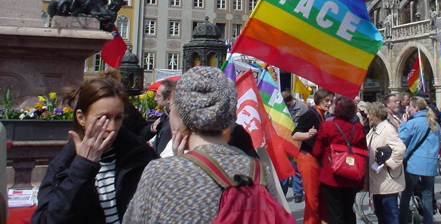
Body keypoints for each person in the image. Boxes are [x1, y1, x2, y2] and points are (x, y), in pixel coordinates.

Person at [123, 67, 278, 223]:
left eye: (172, 109)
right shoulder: (259, 170)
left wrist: (178, 163)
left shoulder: (161, 172)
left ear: (182, 117)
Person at [32, 78, 157, 224]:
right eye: (103, 118)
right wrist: (84, 166)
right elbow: (49, 220)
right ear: (81, 118)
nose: (111, 127)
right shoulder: (64, 164)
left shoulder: (139, 153)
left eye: (118, 118)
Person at [312, 96, 367, 224]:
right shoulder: (358, 127)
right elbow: (364, 150)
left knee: (335, 212)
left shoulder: (327, 126)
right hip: (352, 173)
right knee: (349, 210)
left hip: (331, 175)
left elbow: (317, 151)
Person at [293, 89, 334, 224]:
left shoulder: (321, 115)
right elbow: (295, 134)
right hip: (308, 159)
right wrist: (308, 135)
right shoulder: (310, 114)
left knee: (320, 197)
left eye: (331, 101)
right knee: (312, 199)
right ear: (319, 99)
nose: (329, 104)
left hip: (317, 160)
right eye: (327, 100)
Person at [398, 96, 441, 224]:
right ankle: (428, 221)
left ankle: (403, 220)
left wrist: (403, 124)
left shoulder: (412, 123)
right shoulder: (435, 123)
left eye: (410, 107)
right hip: (430, 162)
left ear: (416, 108)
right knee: (427, 195)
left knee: (406, 195)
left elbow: (401, 140)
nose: (408, 109)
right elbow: (438, 143)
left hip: (414, 163)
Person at [366, 102, 406, 224]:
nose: (368, 117)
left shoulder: (388, 130)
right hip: (378, 180)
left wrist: (388, 162)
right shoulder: (374, 129)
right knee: (380, 213)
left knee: (390, 214)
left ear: (377, 115)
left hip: (387, 180)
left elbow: (400, 149)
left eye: (370, 114)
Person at [281, 90, 308, 202]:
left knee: (296, 169)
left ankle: (298, 193)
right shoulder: (281, 107)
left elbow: (305, 126)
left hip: (297, 143)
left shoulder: (302, 108)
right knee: (284, 168)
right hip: (284, 142)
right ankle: (282, 194)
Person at [147, 79, 175, 154]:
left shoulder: (172, 124)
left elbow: (161, 153)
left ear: (168, 98)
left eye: (158, 96)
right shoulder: (165, 117)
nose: (155, 99)